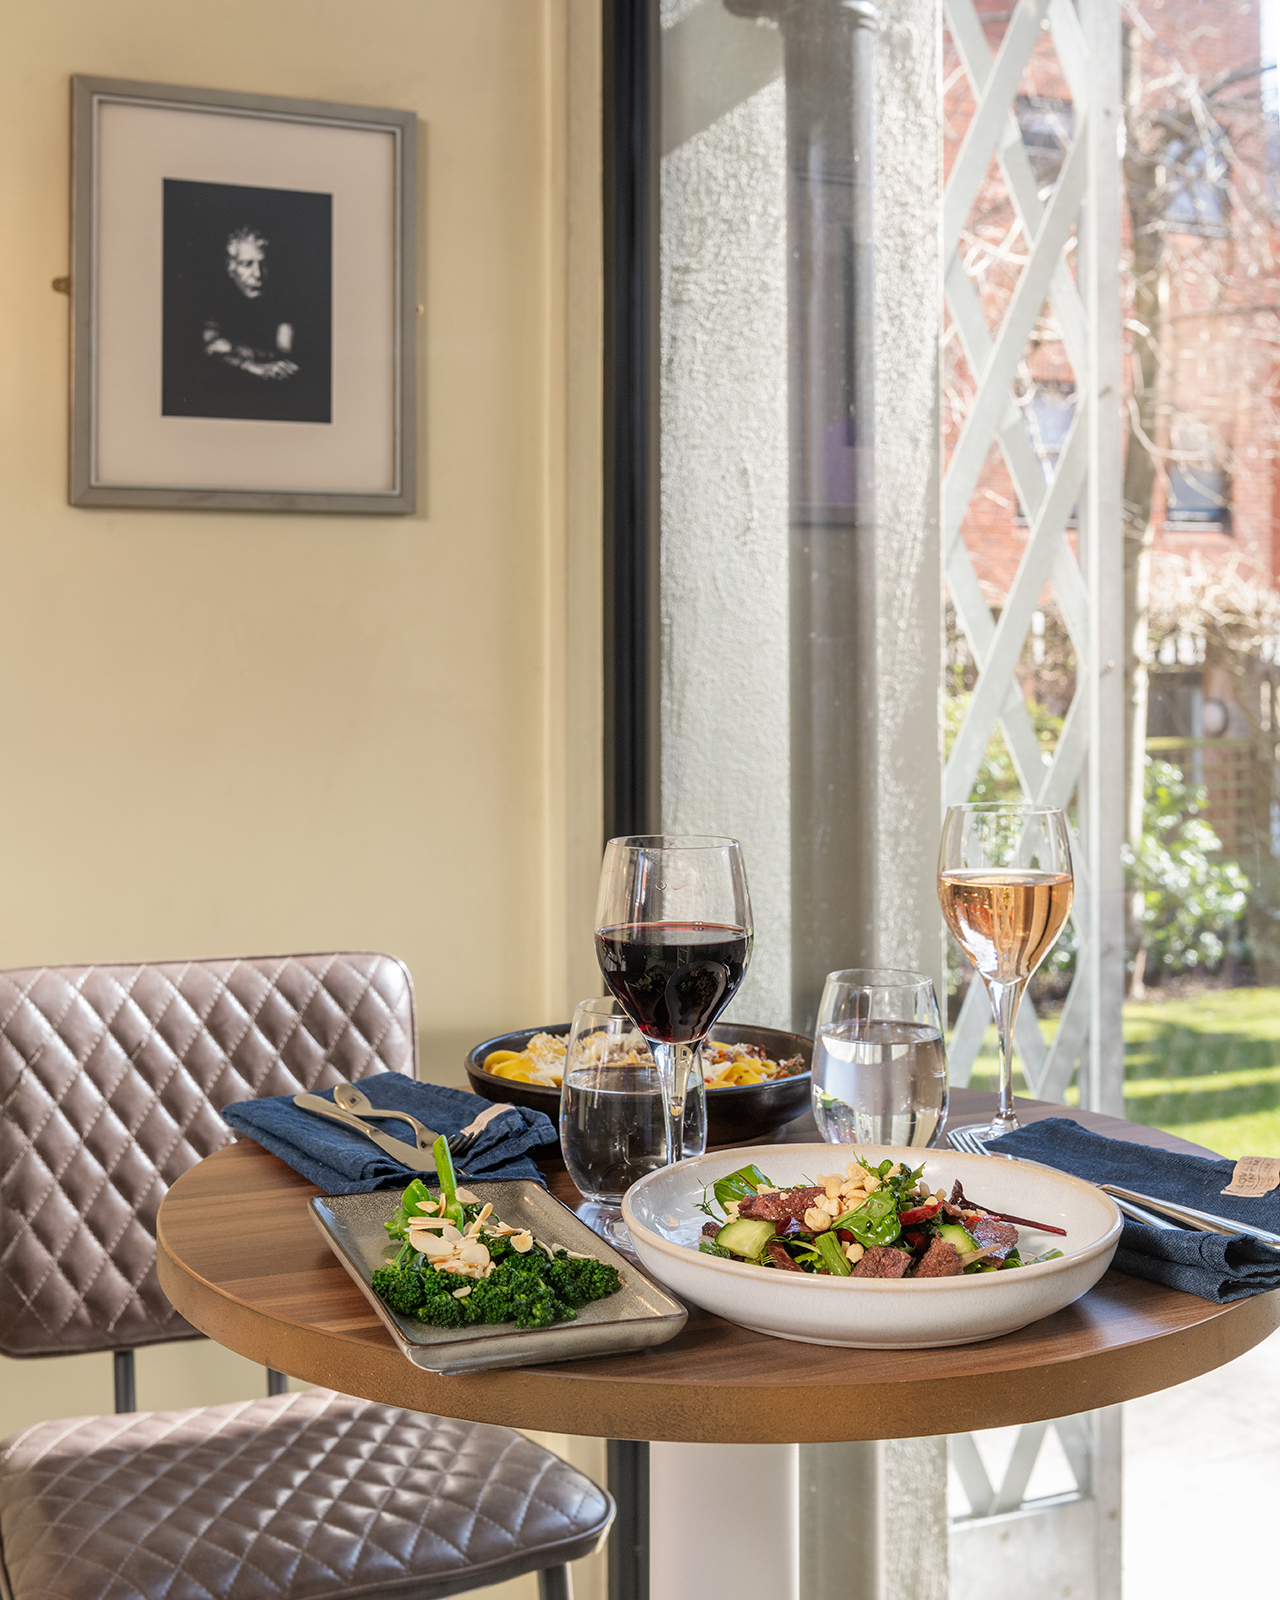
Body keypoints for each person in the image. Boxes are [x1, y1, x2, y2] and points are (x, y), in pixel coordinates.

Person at [202, 227, 299, 383]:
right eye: (247, 264)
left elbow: (285, 355)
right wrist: (251, 366)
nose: (258, 274)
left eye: (263, 264)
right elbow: (211, 348)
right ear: (231, 268)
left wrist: (233, 349)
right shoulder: (215, 300)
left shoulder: (283, 302)